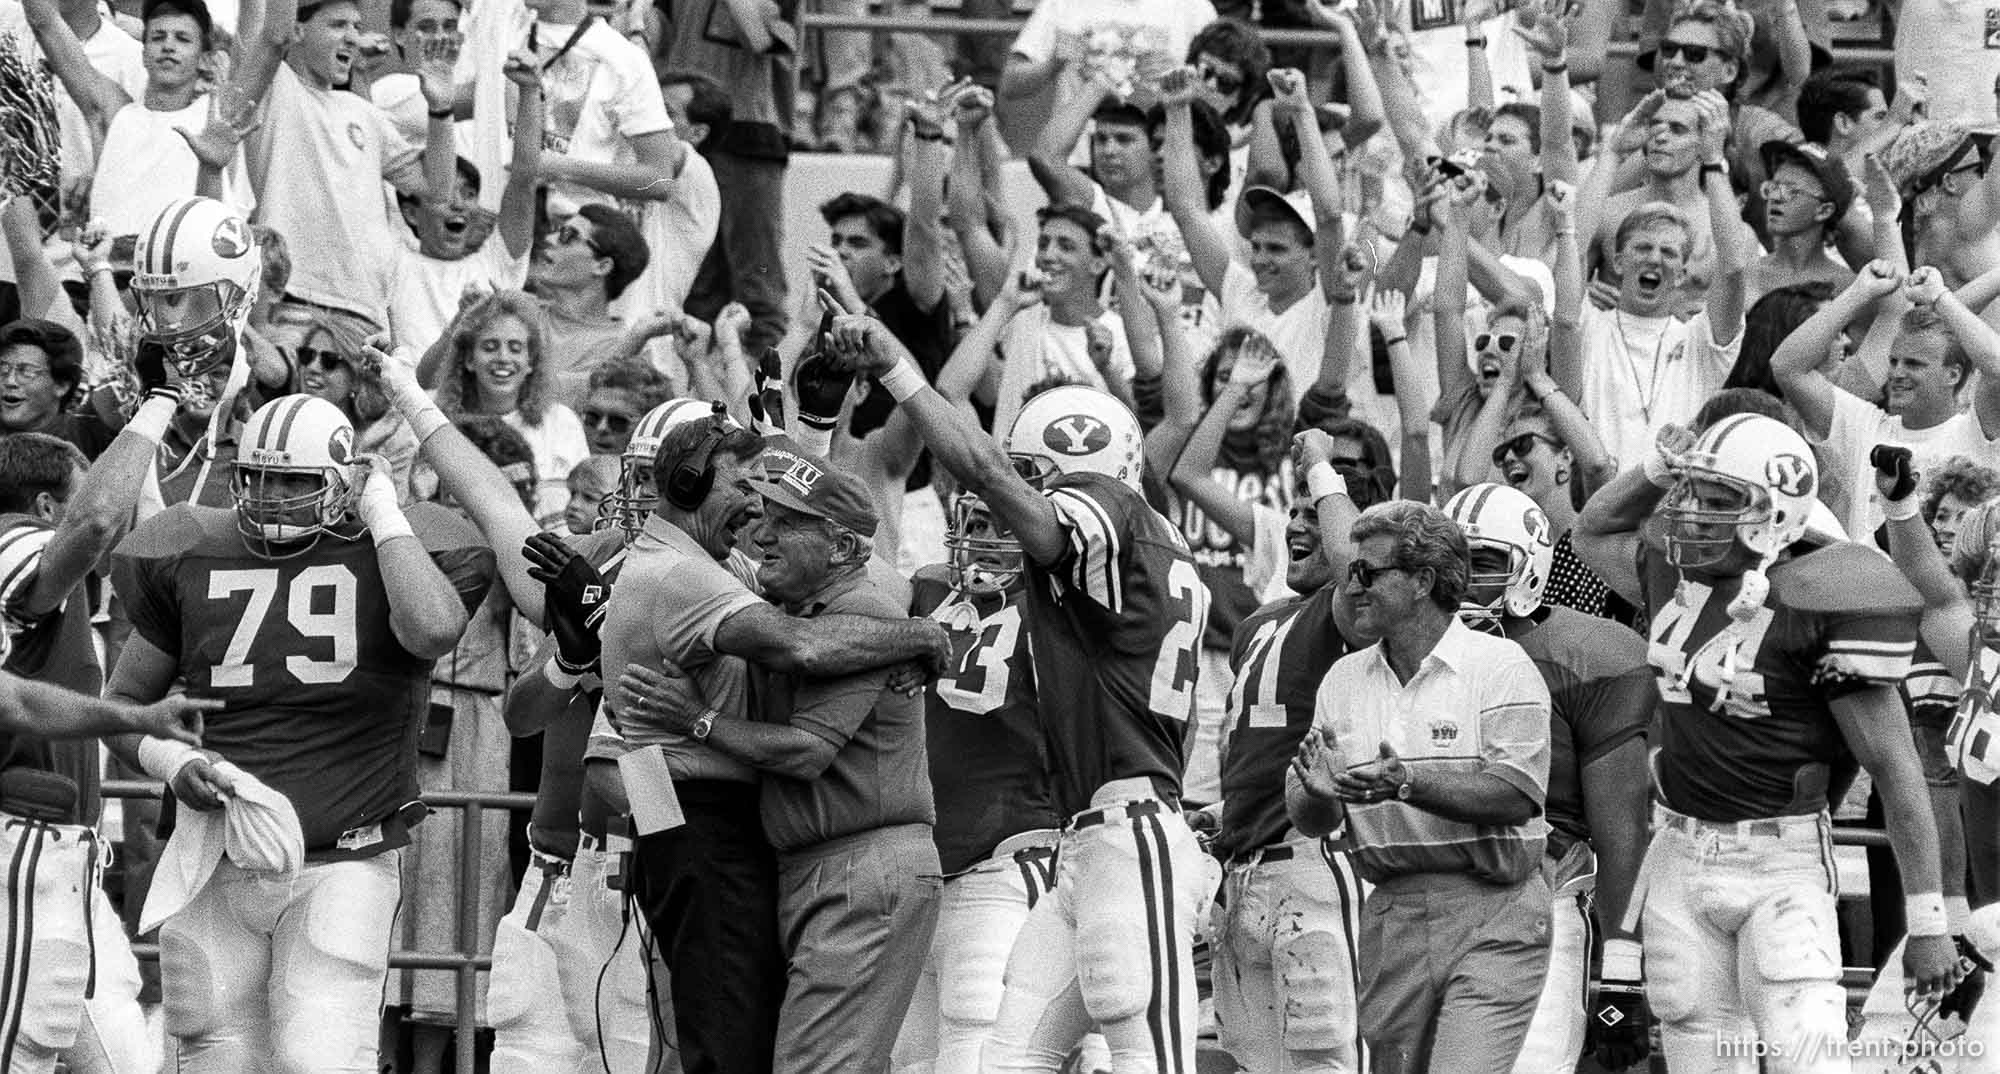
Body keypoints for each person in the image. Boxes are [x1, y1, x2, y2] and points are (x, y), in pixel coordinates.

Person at [826, 313, 1212, 1074]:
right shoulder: (1142, 551)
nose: (1012, 502)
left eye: (1036, 477)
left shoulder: (1116, 525)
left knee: (1150, 1057)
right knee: (1005, 1057)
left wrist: (901, 366)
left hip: (1131, 831)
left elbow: (985, 472)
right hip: (1086, 838)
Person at [102, 393, 495, 1071]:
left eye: (296, 480)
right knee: (208, 1050)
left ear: (345, 481)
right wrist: (170, 763)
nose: (274, 498)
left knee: (321, 1055)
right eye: (259, 478)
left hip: (345, 858)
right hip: (215, 855)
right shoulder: (194, 545)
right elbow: (123, 703)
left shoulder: (397, 548)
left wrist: (383, 515)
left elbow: (433, 630)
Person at [1574, 413, 1960, 1071]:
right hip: (1678, 849)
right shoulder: (1671, 574)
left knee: (1806, 1057)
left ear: (1775, 512)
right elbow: (1592, 530)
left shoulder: (1821, 597)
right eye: (1691, 492)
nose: (1692, 512)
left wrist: (1927, 922)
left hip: (1780, 861)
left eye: (1718, 499)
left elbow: (1895, 766)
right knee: (1698, 1049)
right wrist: (1658, 470)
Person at [579, 413, 950, 1074]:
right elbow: (803, 647)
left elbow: (837, 564)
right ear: (691, 485)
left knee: (720, 1032)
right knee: (729, 1041)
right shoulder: (683, 574)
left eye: (771, 508)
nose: (755, 515)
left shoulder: (683, 563)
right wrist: (922, 636)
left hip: (689, 815)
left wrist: (653, 834)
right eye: (743, 490)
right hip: (704, 818)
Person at [1286, 500, 1554, 1074]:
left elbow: (1514, 794)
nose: (1351, 586)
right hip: (1390, 913)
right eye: (1349, 572)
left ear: (1423, 581)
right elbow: (1312, 818)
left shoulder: (1501, 665)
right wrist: (1316, 792)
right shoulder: (1343, 677)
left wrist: (1406, 781)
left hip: (1494, 907)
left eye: (1367, 573)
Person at [1441, 483, 1656, 1074]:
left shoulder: (1591, 655)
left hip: (1536, 903)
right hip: (1418, 901)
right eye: (1445, 564)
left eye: (1481, 563)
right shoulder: (1403, 646)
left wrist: (1621, 971)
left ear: (1529, 566)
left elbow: (1621, 835)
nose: (1459, 583)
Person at [1206, 427, 1370, 1074]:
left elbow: (1357, 566)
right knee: (1252, 1063)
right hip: (1242, 867)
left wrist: (1325, 471)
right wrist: (1226, 816)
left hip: (1312, 859)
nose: (1298, 524)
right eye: (1292, 512)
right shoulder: (1257, 623)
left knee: (1327, 1058)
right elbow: (1249, 750)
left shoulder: (1347, 613)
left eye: (1315, 512)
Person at [223, 0, 457, 328]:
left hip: (367, 314)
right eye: (338, 25)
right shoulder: (273, 88)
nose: (353, 38)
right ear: (298, 31)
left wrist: (442, 109)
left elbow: (437, 191)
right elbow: (271, 33)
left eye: (356, 28)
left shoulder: (364, 113)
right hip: (292, 304)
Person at [1770, 263, 2000, 541]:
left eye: (1914, 364)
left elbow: (1996, 367)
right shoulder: (1863, 426)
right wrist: (1859, 292)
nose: (1897, 373)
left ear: (1953, 374)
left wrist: (1941, 297)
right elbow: (1787, 367)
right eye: (1894, 361)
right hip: (1872, 583)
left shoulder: (1979, 431)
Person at [431, 289, 588, 528]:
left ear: (530, 362)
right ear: (469, 359)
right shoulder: (438, 421)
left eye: (515, 348)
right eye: (490, 347)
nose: (503, 358)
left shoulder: (562, 422)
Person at [0, 319, 114, 458]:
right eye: (3, 369)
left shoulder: (83, 432)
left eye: (27, 372)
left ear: (62, 385)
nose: (9, 381)